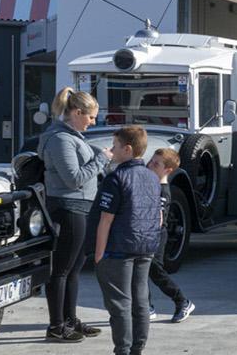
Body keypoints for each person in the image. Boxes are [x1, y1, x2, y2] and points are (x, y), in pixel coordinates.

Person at [39, 87, 110, 343]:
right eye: (91, 117)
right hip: (69, 208)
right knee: (61, 269)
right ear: (77, 113)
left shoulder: (72, 136)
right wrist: (101, 159)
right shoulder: (60, 139)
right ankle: (56, 326)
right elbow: (73, 179)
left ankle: (69, 320)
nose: (94, 122)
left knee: (74, 269)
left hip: (80, 207)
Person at [94, 125, 163, 355]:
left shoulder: (116, 178)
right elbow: (159, 215)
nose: (111, 151)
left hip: (119, 248)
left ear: (128, 149)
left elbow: (105, 219)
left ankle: (122, 350)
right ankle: (138, 348)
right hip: (146, 246)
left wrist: (98, 253)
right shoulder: (153, 178)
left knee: (120, 304)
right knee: (140, 301)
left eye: (115, 147)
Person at [145, 148, 196, 323]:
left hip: (156, 235)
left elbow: (158, 219)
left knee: (155, 270)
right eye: (151, 160)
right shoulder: (150, 183)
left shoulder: (163, 191)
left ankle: (182, 301)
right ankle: (147, 307)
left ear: (168, 170)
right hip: (145, 234)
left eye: (155, 163)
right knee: (140, 270)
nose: (150, 164)